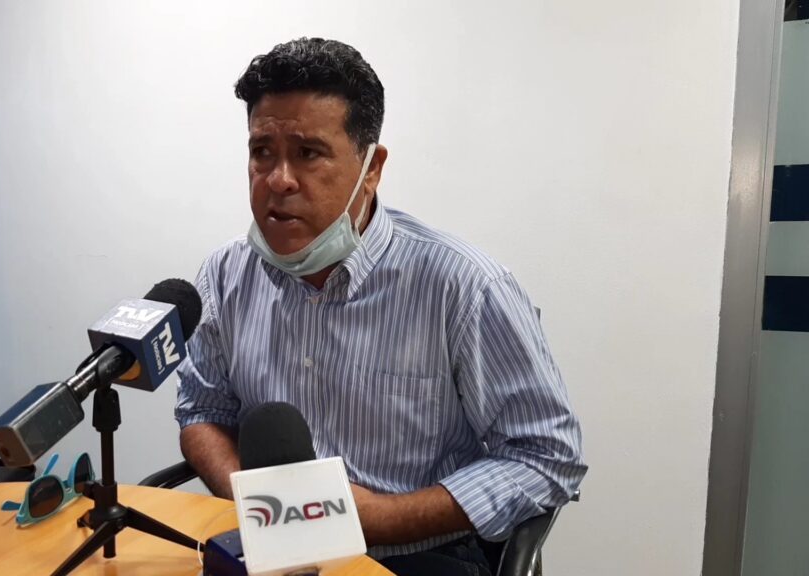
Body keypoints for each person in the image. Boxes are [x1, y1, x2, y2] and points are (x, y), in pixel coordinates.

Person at [174, 37, 586, 576]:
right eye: (261, 152)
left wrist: (383, 517)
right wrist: (258, 504)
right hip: (268, 547)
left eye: (308, 153)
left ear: (372, 169)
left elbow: (547, 456)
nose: (278, 180)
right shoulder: (225, 274)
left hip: (414, 554)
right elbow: (203, 411)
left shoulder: (464, 286)